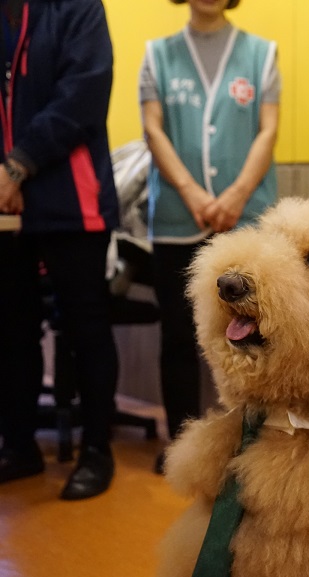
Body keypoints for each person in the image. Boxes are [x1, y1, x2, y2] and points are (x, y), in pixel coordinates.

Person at [139, 0, 280, 473]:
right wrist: (192, 193)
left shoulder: (262, 52)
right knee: (178, 337)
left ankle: (253, 438)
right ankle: (182, 446)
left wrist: (238, 194)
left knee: (254, 336)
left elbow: (268, 129)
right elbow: (154, 129)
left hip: (248, 221)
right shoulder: (157, 54)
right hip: (178, 219)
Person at [0, 0, 120, 500]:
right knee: (12, 328)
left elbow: (83, 95)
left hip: (71, 197)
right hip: (5, 203)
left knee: (85, 327)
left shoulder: (79, 7)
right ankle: (20, 445)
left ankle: (97, 450)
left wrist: (18, 163)